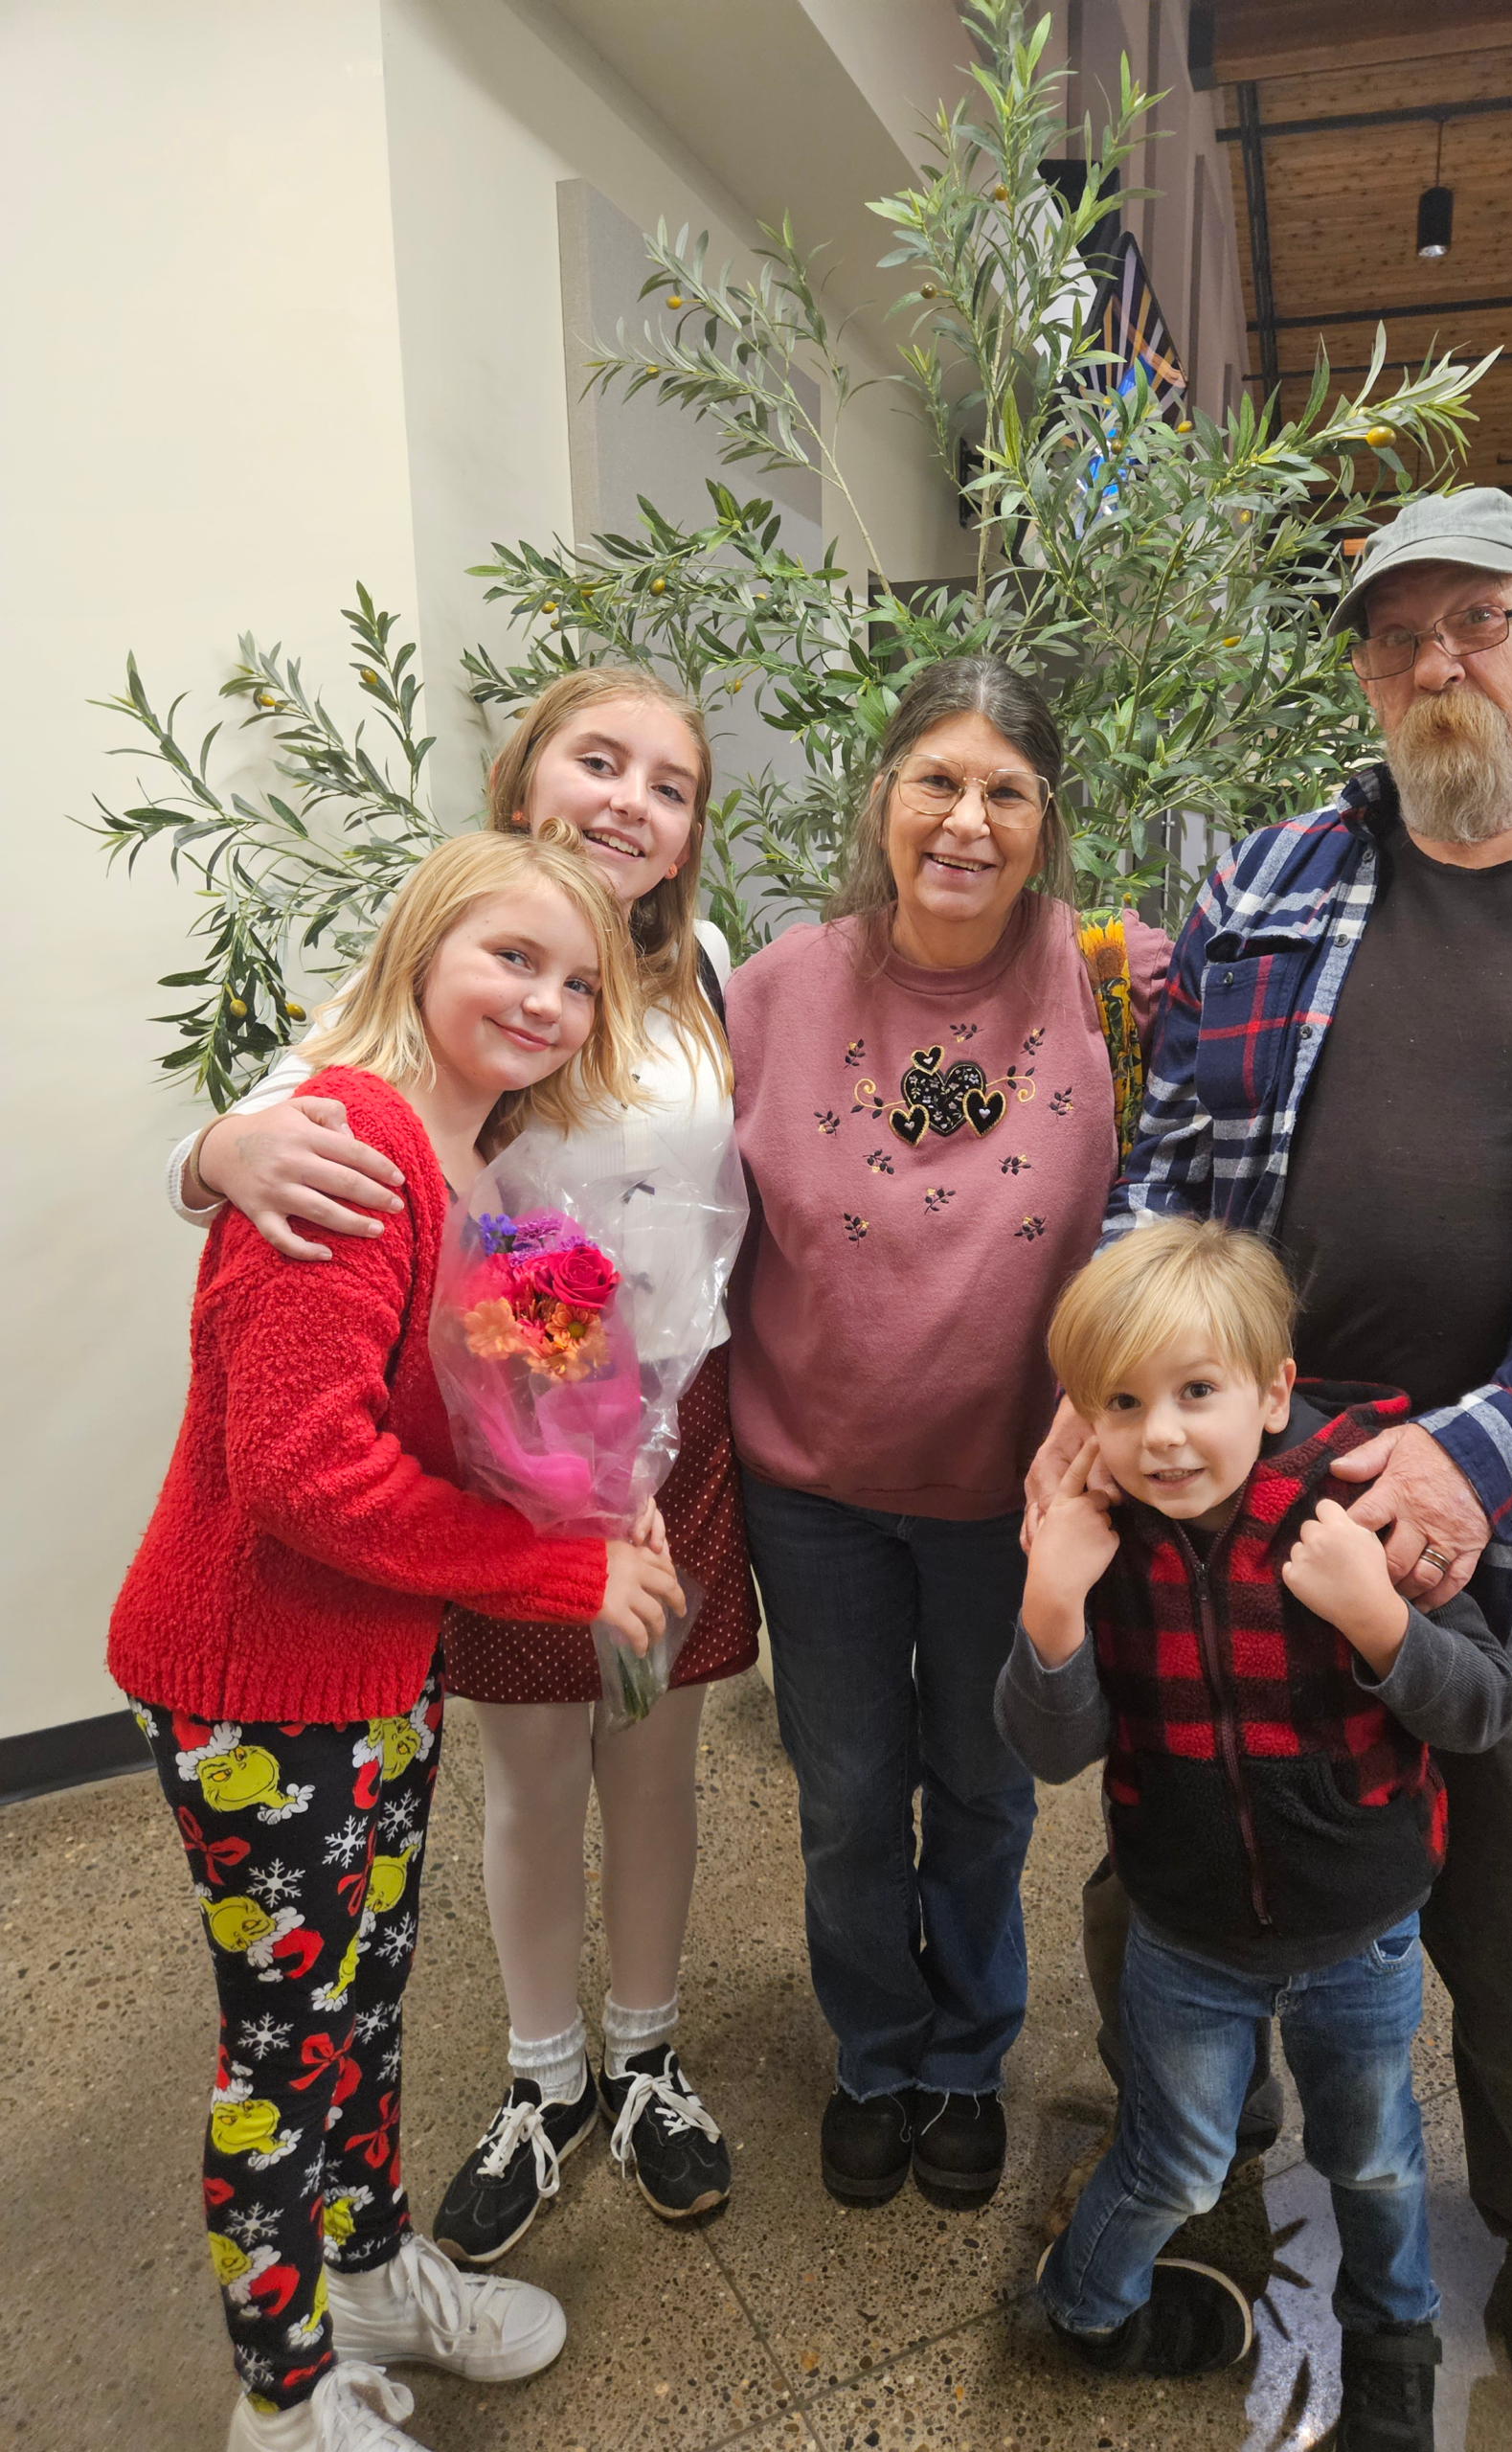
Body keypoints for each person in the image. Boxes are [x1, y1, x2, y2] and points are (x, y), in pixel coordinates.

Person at [1027, 488, 1512, 2448]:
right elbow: (1169, 1180)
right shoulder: (1264, 886)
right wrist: (1109, 1390)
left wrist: (1493, 1437)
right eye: (1397, 637)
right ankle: (1206, 2173)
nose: (1435, 665)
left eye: (1476, 622)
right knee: (1183, 1862)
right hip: (1245, 1505)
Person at [164, 669, 758, 2259]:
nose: (631, 799)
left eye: (670, 782)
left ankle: (647, 2057)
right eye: (599, 759)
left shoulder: (699, 963)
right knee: (533, 1765)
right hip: (513, 1459)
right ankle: (542, 2074)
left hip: (678, 1433)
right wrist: (210, 1152)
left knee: (658, 1761)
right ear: (525, 779)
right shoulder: (469, 946)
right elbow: (305, 1104)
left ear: (694, 830)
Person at [111, 825, 639, 2452]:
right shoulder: (346, 1138)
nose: (544, 999)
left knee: (365, 2000)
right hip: (261, 1687)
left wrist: (600, 1480)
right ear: (421, 948)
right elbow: (301, 1472)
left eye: (575, 978)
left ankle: (368, 2274)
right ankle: (280, 2397)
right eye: (510, 957)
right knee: (283, 2047)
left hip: (374, 1673)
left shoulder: (479, 1167)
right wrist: (559, 1579)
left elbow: (534, 1413)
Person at [724, 656, 1169, 2211]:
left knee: (985, 1792)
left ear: (1045, 823)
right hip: (815, 1492)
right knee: (847, 1792)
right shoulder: (775, 991)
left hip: (1015, 1494)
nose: (965, 820)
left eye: (1005, 791)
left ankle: (969, 2055)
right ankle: (876, 2051)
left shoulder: (1114, 977)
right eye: (937, 780)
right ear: (883, 797)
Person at [1002, 1219, 1512, 2448]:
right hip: (1183, 1934)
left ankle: (1392, 2349)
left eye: (1197, 1391)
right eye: (1121, 1403)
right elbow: (1050, 1746)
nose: (1163, 1433)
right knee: (1173, 2158)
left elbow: (1487, 1703)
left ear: (1274, 1387)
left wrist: (1382, 1621)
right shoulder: (1097, 1529)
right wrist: (1051, 1601)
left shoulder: (1354, 1501)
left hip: (1363, 1925)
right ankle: (1084, 2307)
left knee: (1377, 2152)